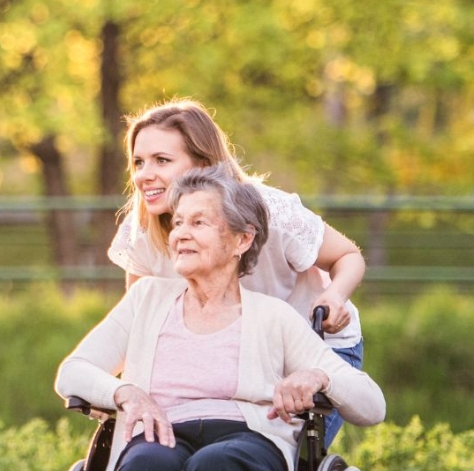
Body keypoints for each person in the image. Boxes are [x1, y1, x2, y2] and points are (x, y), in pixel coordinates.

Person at [54, 163, 385, 471]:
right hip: (163, 433)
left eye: (200, 223)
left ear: (241, 240)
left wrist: (319, 376)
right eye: (179, 222)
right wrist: (125, 392)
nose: (181, 234)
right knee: (144, 463)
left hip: (247, 442)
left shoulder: (273, 317)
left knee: (217, 464)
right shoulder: (147, 299)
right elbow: (73, 370)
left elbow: (371, 404)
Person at [107, 98, 364, 449]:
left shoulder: (268, 211)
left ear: (203, 164)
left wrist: (335, 296)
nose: (143, 175)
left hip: (310, 348)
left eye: (162, 161)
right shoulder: (142, 231)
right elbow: (139, 329)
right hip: (230, 358)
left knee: (280, 466)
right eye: (138, 162)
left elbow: (348, 256)